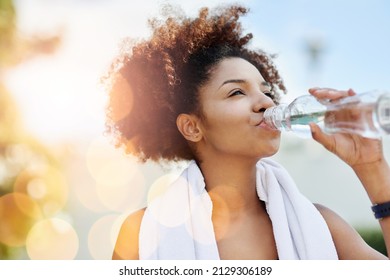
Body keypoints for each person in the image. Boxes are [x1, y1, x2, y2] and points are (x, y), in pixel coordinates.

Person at [104, 4, 390, 260]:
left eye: (266, 91)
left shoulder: (323, 226)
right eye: (237, 92)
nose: (267, 102)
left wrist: (372, 168)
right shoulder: (141, 236)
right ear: (192, 127)